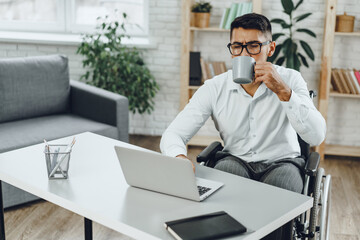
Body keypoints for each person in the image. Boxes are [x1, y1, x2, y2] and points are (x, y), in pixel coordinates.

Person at [160, 13, 326, 240]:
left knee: (277, 200)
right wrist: (178, 157)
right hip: (235, 159)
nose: (245, 54)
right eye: (237, 46)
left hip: (283, 162)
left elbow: (317, 136)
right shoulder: (215, 87)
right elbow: (173, 134)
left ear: (271, 48)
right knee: (223, 193)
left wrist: (283, 91)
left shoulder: (291, 79)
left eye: (254, 46)